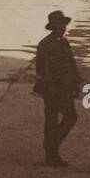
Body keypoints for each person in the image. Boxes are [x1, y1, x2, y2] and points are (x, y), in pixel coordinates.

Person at [34, 10, 82, 167]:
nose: (62, 28)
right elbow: (42, 70)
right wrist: (52, 89)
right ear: (53, 27)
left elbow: (71, 64)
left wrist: (76, 83)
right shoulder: (45, 45)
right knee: (57, 119)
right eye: (59, 25)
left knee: (63, 119)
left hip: (65, 87)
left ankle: (51, 149)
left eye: (64, 25)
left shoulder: (64, 42)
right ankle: (51, 152)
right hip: (52, 89)